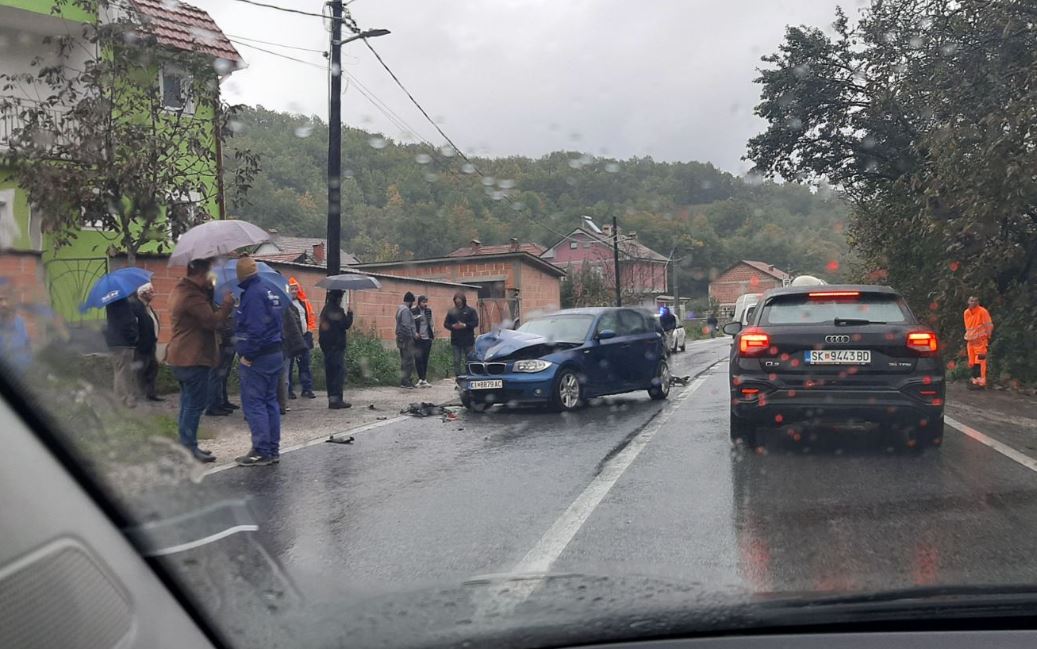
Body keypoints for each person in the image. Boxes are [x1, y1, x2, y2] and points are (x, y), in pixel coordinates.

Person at [165, 258, 233, 462]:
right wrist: (227, 306)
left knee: (188, 403)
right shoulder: (192, 295)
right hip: (192, 356)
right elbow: (211, 321)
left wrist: (209, 293)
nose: (210, 279)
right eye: (208, 274)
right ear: (199, 273)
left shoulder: (180, 289)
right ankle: (188, 447)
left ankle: (187, 444)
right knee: (194, 405)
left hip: (182, 355)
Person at [234, 255, 285, 467]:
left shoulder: (253, 295)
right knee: (270, 401)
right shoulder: (269, 289)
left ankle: (261, 450)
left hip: (259, 356)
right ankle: (272, 448)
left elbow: (256, 329)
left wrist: (248, 356)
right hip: (275, 352)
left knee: (255, 403)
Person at [319, 289, 354, 409]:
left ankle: (332, 399)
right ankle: (337, 400)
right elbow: (345, 325)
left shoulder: (325, 309)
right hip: (336, 347)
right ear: (338, 298)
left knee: (330, 374)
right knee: (338, 374)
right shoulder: (337, 311)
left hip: (327, 347)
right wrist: (350, 314)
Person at [105, 294, 139, 408]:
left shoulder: (110, 302)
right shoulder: (123, 303)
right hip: (123, 342)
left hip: (113, 342)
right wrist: (133, 337)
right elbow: (128, 322)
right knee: (124, 372)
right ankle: (122, 400)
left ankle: (120, 399)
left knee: (118, 371)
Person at [129, 283, 162, 402]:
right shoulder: (136, 306)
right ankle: (138, 394)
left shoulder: (148, 307)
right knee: (140, 370)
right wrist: (137, 339)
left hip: (151, 343)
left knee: (153, 368)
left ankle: (150, 393)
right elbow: (135, 324)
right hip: (142, 344)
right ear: (142, 294)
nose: (153, 294)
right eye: (150, 292)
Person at [277, 294, 308, 415]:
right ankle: (281, 404)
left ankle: (281, 403)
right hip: (281, 345)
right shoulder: (285, 304)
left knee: (283, 376)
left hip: (281, 346)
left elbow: (293, 326)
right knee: (283, 376)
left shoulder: (284, 306)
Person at [286, 278, 316, 399]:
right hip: (291, 339)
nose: (294, 291)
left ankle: (307, 389)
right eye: (291, 289)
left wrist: (309, 332)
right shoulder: (286, 304)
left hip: (304, 337)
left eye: (295, 288)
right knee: (289, 366)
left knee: (305, 364)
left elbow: (311, 317)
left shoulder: (303, 302)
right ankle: (288, 390)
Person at [443, 292, 479, 378]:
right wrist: (453, 326)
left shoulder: (471, 311)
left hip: (468, 339)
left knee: (469, 359)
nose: (458, 301)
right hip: (456, 340)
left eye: (459, 299)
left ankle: (470, 374)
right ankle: (458, 376)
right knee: (456, 360)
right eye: (456, 300)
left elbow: (475, 322)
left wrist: (465, 325)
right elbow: (446, 324)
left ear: (463, 300)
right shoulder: (451, 312)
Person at [963, 295, 994, 389]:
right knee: (972, 361)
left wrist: (987, 337)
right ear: (968, 302)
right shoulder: (966, 312)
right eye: (971, 300)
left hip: (981, 341)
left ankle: (981, 381)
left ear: (978, 302)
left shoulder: (983, 312)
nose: (973, 302)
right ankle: (975, 380)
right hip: (971, 341)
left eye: (975, 301)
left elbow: (989, 325)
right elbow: (968, 327)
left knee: (980, 361)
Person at [0, 291, 31, 373]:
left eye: (4, 303)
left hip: (24, 363)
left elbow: (27, 341)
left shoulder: (19, 321)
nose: (3, 305)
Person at [396, 291, 419, 389]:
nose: (412, 304)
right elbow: (405, 325)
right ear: (410, 301)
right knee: (408, 361)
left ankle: (404, 381)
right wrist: (412, 336)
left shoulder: (400, 309)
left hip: (401, 338)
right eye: (412, 302)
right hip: (406, 339)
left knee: (404, 360)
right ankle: (406, 381)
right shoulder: (405, 310)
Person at [413, 295, 435, 388]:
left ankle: (424, 379)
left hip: (427, 339)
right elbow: (411, 323)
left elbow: (431, 323)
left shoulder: (428, 311)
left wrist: (432, 332)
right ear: (419, 302)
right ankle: (420, 379)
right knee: (418, 359)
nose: (425, 304)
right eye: (423, 302)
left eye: (426, 302)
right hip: (418, 339)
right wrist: (414, 333)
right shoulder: (413, 311)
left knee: (425, 359)